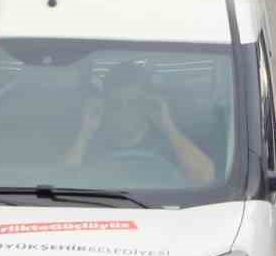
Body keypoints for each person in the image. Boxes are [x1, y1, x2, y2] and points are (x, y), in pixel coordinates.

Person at [66, 62, 216, 185]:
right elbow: (63, 181)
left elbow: (204, 177)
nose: (125, 111)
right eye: (116, 104)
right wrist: (85, 134)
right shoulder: (89, 145)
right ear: (106, 106)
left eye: (134, 103)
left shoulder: (173, 145)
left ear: (147, 104)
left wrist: (168, 128)